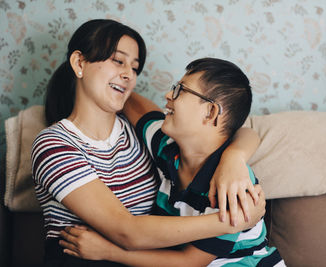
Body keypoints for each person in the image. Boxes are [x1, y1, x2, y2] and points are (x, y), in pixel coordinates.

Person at [31, 19, 266, 266]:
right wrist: (233, 220)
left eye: (135, 68)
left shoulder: (146, 134)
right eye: (118, 60)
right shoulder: (54, 144)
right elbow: (126, 230)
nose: (129, 75)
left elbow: (232, 129)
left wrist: (234, 158)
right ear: (79, 62)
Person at [59, 58, 285, 266]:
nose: (168, 95)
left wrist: (109, 252)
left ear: (210, 111)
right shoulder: (165, 145)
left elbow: (189, 262)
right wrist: (103, 78)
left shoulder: (234, 188)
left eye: (180, 90)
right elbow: (134, 105)